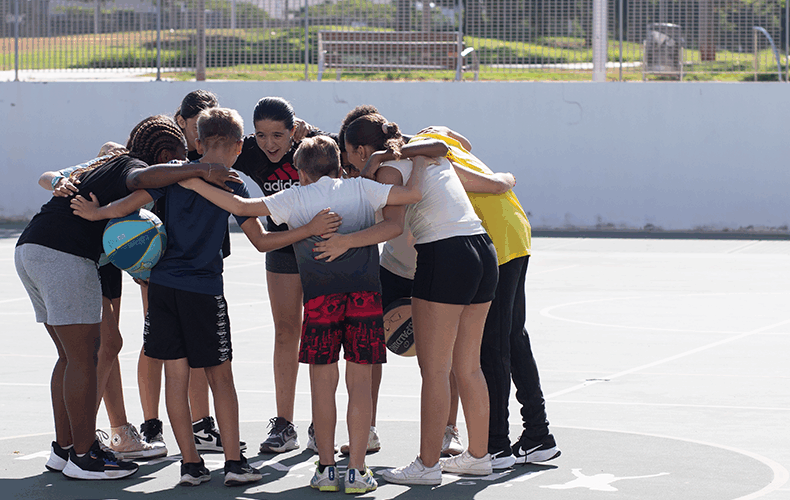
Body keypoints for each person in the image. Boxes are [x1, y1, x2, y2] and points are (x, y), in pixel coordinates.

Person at [70, 107, 340, 486]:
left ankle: (191, 465)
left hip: (163, 289)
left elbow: (127, 205)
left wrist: (97, 215)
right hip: (204, 291)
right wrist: (308, 228)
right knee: (221, 379)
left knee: (176, 379)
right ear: (236, 146)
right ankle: (233, 463)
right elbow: (262, 241)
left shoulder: (175, 174)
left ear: (198, 141)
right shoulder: (233, 184)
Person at [181, 135, 427, 493]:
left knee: (321, 386)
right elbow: (414, 194)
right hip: (364, 297)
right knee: (359, 386)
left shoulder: (296, 197)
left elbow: (241, 207)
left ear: (301, 172)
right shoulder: (362, 189)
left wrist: (190, 180)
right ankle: (357, 470)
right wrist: (418, 158)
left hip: (320, 300)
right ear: (338, 164)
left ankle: (326, 469)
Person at [14, 117, 234, 480]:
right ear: (165, 155)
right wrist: (198, 168)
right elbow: (143, 179)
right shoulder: (135, 167)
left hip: (31, 250)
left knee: (69, 358)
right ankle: (84, 458)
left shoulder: (105, 163)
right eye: (178, 157)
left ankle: (64, 448)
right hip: (65, 256)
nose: (181, 164)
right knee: (86, 358)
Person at [338, 113, 499, 485]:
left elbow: (392, 226)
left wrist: (342, 241)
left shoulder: (390, 168)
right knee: (468, 366)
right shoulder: (427, 156)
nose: (351, 164)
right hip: (482, 250)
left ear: (363, 149)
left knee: (435, 370)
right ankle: (478, 456)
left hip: (444, 256)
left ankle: (427, 465)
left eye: (351, 156)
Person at [414, 126, 560, 467]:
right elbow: (464, 141)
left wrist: (502, 179)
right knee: (512, 336)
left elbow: (480, 182)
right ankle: (538, 434)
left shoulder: (421, 152)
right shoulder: (440, 138)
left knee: (491, 344)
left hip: (494, 236)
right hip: (515, 230)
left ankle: (494, 444)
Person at [231, 96, 330, 453]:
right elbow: (203, 151)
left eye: (278, 135)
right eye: (261, 135)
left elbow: (346, 151)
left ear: (294, 131)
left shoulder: (312, 146)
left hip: (322, 246)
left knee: (322, 334)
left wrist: (313, 132)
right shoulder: (248, 152)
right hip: (284, 249)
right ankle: (284, 424)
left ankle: (323, 423)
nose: (269, 143)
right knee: (287, 332)